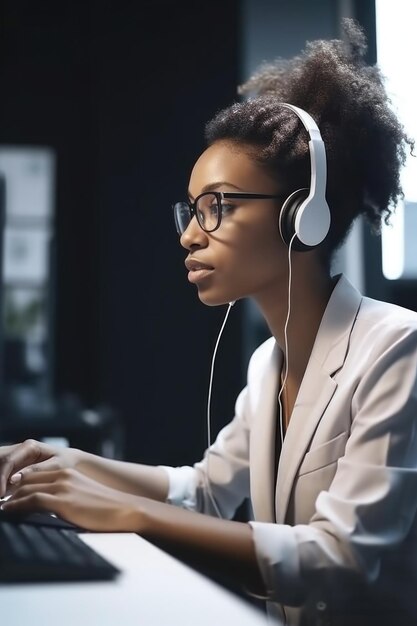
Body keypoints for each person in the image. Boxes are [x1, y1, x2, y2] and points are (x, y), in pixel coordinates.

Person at [0, 18, 416, 626]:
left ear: (301, 216)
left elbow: (341, 558)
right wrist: (66, 465)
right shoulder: (268, 361)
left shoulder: (396, 349)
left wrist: (125, 514)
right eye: (191, 211)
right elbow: (203, 491)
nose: (190, 236)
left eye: (216, 207)